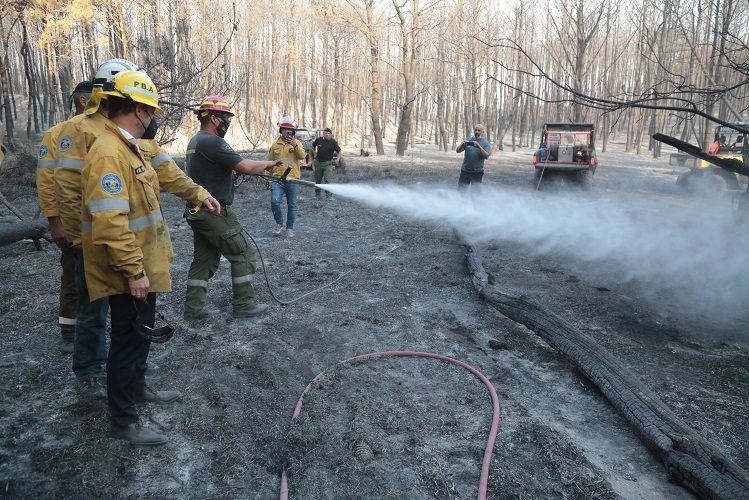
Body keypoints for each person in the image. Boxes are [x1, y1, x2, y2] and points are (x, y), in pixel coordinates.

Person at [55, 58, 218, 399]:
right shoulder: (87, 134)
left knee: (133, 327)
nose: (154, 117)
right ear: (134, 107)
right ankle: (93, 375)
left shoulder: (133, 138)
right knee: (95, 312)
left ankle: (132, 387)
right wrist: (74, 235)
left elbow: (165, 171)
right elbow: (67, 187)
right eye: (150, 109)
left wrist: (198, 193)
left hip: (133, 250)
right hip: (101, 243)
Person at [183, 95, 280, 321]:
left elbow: (210, 171)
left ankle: (193, 309)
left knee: (203, 260)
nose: (228, 122)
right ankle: (244, 305)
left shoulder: (195, 141)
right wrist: (268, 164)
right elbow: (245, 166)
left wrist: (230, 172)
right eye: (226, 118)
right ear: (215, 119)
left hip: (197, 210)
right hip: (213, 211)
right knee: (243, 253)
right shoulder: (213, 142)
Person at [36, 80, 92, 353]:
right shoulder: (56, 135)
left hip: (98, 220)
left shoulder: (100, 132)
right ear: (84, 101)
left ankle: (92, 328)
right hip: (72, 221)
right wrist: (55, 222)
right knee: (73, 275)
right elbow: (46, 182)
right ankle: (70, 331)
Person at [268, 116, 306, 237]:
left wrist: (294, 144)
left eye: (289, 130)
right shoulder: (275, 145)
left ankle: (290, 228)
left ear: (293, 131)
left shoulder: (297, 143)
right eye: (284, 129)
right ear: (281, 130)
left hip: (293, 179)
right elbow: (269, 163)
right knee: (274, 201)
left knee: (292, 204)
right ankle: (279, 223)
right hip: (277, 179)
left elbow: (302, 156)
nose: (287, 132)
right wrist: (267, 177)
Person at [456, 124, 492, 189]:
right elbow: (458, 151)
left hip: (477, 172)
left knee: (475, 193)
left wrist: (479, 147)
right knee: (461, 191)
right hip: (465, 170)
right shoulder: (468, 139)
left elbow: (486, 156)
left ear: (482, 132)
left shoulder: (485, 143)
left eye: (479, 130)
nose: (477, 132)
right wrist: (462, 145)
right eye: (475, 130)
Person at [310, 127, 341, 199]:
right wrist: (314, 153)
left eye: (328, 133)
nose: (327, 134)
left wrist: (337, 160)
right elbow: (312, 146)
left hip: (327, 164)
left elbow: (339, 151)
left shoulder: (333, 142)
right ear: (323, 134)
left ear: (331, 135)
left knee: (328, 180)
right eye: (325, 133)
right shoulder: (318, 140)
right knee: (318, 180)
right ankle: (317, 195)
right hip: (318, 163)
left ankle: (329, 196)